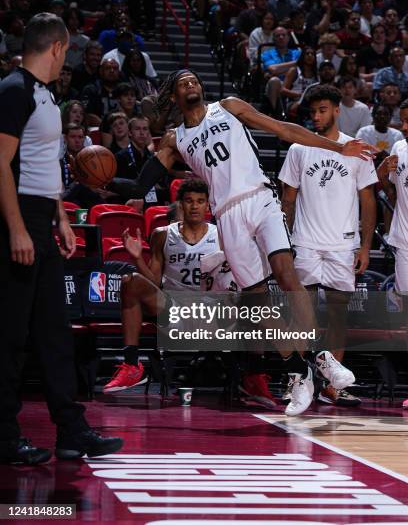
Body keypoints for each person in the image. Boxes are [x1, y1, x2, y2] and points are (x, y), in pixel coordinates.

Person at [108, 68, 376, 417]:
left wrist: (340, 147)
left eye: (195, 80)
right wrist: (104, 179)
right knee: (256, 299)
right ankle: (300, 369)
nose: (192, 84)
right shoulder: (174, 140)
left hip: (261, 199)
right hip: (227, 216)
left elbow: (283, 130)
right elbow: (137, 185)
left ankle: (319, 359)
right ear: (174, 96)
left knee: (286, 274)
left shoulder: (229, 106)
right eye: (183, 83)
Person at [0, 12, 122, 465]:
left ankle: (71, 431)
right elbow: (1, 165)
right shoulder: (14, 91)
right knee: (12, 335)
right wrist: (16, 228)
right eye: (66, 50)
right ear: (56, 47)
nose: (65, 58)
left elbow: (43, 165)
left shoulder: (47, 96)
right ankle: (5, 436)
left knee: (55, 331)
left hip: (44, 219)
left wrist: (62, 219)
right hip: (17, 218)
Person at [279, 84, 378, 407]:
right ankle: (297, 380)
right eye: (313, 111)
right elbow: (288, 200)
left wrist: (364, 247)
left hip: (342, 246)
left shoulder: (357, 149)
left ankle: (332, 387)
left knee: (338, 317)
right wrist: (285, 242)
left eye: (323, 110)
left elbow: (368, 200)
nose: (317, 116)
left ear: (337, 110)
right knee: (300, 316)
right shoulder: (298, 148)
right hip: (305, 243)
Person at [102, 180, 222, 393]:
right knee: (130, 280)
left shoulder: (220, 235)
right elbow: (154, 281)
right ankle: (131, 365)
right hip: (172, 308)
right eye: (189, 201)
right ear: (180, 205)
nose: (194, 206)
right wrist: (138, 258)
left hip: (207, 310)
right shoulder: (163, 234)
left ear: (208, 206)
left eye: (200, 201)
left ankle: (253, 375)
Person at [376, 101, 408, 410]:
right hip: (405, 242)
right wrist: (384, 173)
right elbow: (388, 188)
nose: (406, 126)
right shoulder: (399, 146)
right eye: (404, 121)